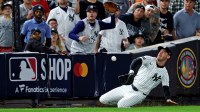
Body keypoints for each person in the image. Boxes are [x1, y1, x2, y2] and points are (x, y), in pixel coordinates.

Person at [99, 46, 178, 108]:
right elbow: (136, 61)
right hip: (129, 87)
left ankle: (125, 103)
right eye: (160, 51)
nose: (160, 52)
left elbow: (166, 87)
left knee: (121, 105)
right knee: (102, 99)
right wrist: (131, 73)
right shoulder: (150, 59)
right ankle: (124, 102)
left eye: (164, 52)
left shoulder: (164, 73)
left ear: (168, 57)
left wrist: (168, 99)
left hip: (139, 94)